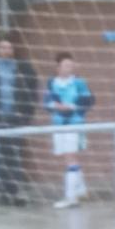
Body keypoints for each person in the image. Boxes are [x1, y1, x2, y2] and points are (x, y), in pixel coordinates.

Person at [0, 35, 38, 205]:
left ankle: (10, 193)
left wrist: (26, 116)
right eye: (3, 47)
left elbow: (31, 93)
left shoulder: (22, 68)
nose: (6, 51)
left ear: (13, 49)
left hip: (14, 120)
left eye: (9, 48)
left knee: (13, 157)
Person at [43, 51, 93, 209]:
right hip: (58, 124)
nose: (69, 68)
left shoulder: (79, 83)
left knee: (71, 157)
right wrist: (55, 106)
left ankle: (71, 197)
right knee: (68, 157)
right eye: (65, 65)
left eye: (71, 65)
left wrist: (71, 107)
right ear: (57, 67)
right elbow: (47, 102)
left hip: (74, 123)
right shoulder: (52, 83)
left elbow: (88, 100)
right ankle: (82, 190)